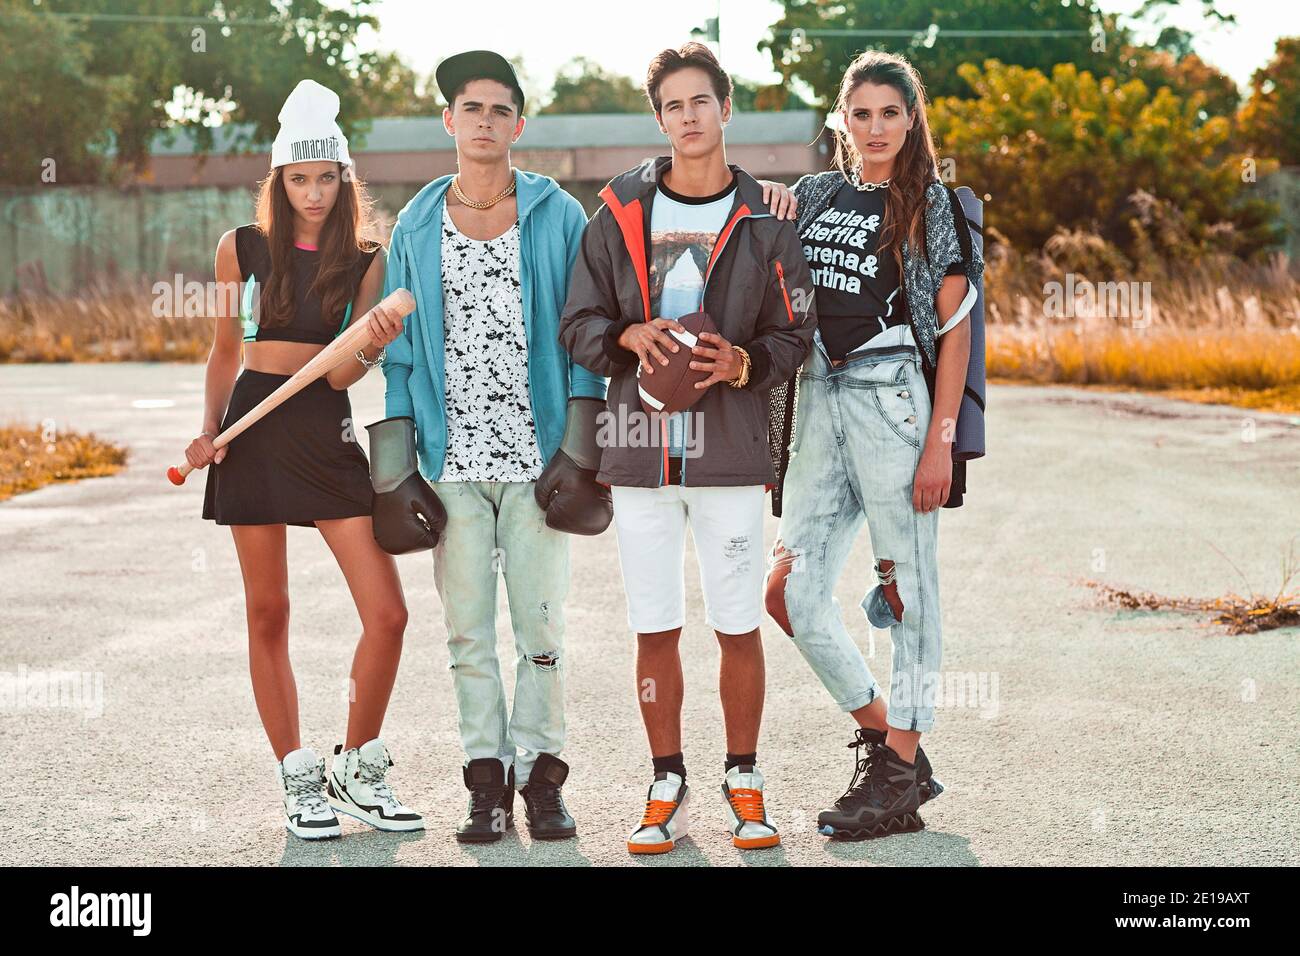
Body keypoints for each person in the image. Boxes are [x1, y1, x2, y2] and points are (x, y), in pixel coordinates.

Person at [559, 42, 816, 855]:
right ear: (660, 118)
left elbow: (798, 330)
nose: (688, 117)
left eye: (700, 101)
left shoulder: (770, 220)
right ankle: (665, 777)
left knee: (737, 622)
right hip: (638, 450)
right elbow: (576, 327)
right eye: (672, 106)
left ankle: (744, 775)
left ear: (725, 108)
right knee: (655, 623)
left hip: (728, 451)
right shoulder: (618, 213)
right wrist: (623, 335)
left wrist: (746, 362)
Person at [377, 50, 613, 844]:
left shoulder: (558, 215)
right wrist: (396, 468)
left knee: (542, 631)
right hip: (452, 469)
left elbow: (585, 339)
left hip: (538, 465)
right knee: (468, 635)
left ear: (519, 123)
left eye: (499, 109)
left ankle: (543, 781)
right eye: (470, 108)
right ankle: (486, 784)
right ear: (449, 121)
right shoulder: (414, 224)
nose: (484, 122)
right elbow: (400, 356)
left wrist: (578, 452)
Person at [188, 80, 422, 839]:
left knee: (387, 613)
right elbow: (226, 352)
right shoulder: (240, 247)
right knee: (268, 612)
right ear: (279, 180)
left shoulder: (366, 258)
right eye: (299, 179)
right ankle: (297, 775)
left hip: (324, 429)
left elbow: (342, 374)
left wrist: (372, 342)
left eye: (326, 179)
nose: (314, 193)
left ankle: (355, 764)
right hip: (251, 433)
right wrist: (208, 431)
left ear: (343, 179)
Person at [764, 50, 983, 840]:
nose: (877, 127)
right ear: (841, 120)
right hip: (819, 401)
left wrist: (941, 444)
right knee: (788, 593)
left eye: (891, 112)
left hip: (895, 403)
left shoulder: (934, 201)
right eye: (862, 113)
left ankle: (895, 772)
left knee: (911, 592)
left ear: (911, 118)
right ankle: (890, 742)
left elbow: (955, 333)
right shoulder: (817, 194)